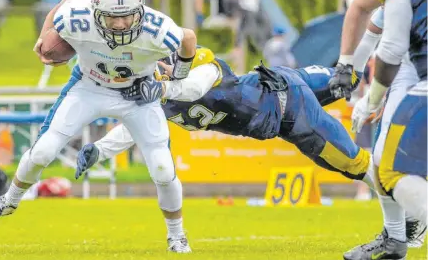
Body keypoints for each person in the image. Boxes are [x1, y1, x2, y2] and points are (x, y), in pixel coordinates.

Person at [0, 0, 196, 254]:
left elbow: (188, 38)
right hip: (89, 87)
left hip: (136, 96)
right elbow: (61, 5)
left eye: (127, 15)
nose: (120, 23)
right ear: (95, 10)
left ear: (139, 9)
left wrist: (176, 77)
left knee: (163, 170)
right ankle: (8, 201)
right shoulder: (77, 16)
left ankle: (176, 235)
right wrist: (44, 38)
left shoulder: (159, 29)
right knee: (43, 152)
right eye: (112, 16)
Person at [76, 45, 375, 199]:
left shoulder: (201, 64)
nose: (159, 71)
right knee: (346, 81)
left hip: (291, 107)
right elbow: (132, 131)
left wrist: (164, 87)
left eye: (162, 65)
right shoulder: (159, 100)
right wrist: (99, 151)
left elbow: (196, 86)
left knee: (354, 160)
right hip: (280, 92)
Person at [329, 0, 427, 259]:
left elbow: (390, 50)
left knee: (390, 171)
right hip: (409, 72)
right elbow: (371, 37)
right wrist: (347, 71)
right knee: (382, 160)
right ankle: (395, 239)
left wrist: (369, 100)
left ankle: (405, 230)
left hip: (413, 73)